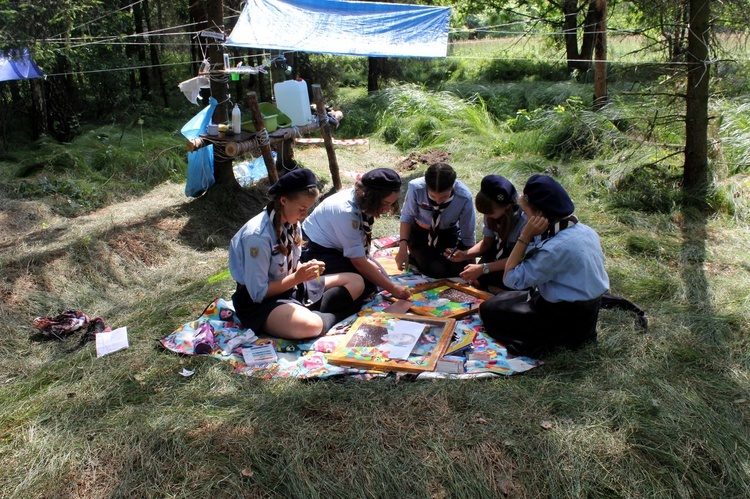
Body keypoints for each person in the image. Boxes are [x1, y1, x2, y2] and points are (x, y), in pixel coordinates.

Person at [478, 174, 610, 357]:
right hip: (586, 311)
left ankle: (550, 341)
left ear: (539, 215)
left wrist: (525, 236)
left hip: (565, 318)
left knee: (489, 311)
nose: (524, 215)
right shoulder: (585, 230)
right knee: (501, 301)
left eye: (527, 212)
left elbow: (510, 278)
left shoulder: (553, 249)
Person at [229, 168, 365, 340]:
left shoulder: (292, 223)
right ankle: (330, 318)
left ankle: (308, 313)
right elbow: (258, 293)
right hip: (261, 302)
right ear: (283, 200)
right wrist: (298, 278)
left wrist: (306, 269)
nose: (305, 214)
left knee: (356, 281)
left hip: (290, 286)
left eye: (307, 209)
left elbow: (292, 265)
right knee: (310, 326)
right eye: (302, 208)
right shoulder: (258, 236)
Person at [301, 168, 411, 301]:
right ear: (372, 198)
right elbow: (358, 262)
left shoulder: (363, 201)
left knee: (380, 277)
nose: (388, 209)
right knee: (370, 284)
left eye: (392, 203)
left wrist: (367, 260)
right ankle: (315, 292)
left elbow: (360, 243)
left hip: (339, 248)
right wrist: (393, 288)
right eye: (385, 204)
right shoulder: (346, 212)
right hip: (315, 251)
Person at [446, 174, 526, 292]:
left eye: (490, 213)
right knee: (476, 277)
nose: (486, 217)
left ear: (507, 207)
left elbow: (519, 258)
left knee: (502, 283)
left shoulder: (524, 220)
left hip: (515, 262)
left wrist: (483, 268)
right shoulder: (490, 214)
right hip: (496, 256)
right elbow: (486, 243)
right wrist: (464, 254)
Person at [395, 163, 476, 278]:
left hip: (448, 234)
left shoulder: (464, 196)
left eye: (443, 197)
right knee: (436, 269)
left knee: (458, 268)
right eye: (433, 196)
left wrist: (471, 263)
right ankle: (415, 256)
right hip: (421, 234)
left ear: (452, 186)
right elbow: (407, 217)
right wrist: (402, 248)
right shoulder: (416, 188)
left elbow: (468, 232)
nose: (438, 201)